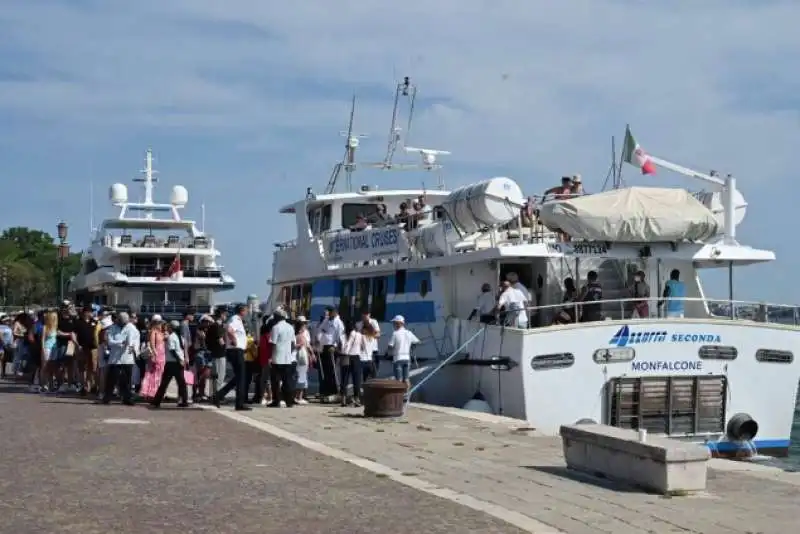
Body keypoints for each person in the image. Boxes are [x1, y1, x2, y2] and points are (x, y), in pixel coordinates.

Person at [217, 303, 250, 410]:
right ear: (242, 311)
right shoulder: (235, 320)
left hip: (236, 350)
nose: (247, 312)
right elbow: (229, 329)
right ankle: (239, 403)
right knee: (241, 377)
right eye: (246, 310)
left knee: (239, 377)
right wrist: (234, 340)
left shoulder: (237, 320)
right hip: (236, 350)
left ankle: (220, 394)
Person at [150, 320, 189, 408]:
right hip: (178, 362)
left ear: (171, 328)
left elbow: (172, 350)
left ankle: (157, 401)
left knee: (165, 382)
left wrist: (179, 359)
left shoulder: (172, 337)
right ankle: (184, 400)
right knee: (181, 383)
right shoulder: (180, 337)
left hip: (172, 362)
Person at [102, 311, 138, 405]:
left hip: (127, 357)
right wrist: (120, 343)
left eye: (124, 323)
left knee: (127, 380)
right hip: (115, 358)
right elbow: (110, 341)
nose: (123, 324)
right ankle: (107, 397)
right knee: (112, 378)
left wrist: (132, 349)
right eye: (121, 322)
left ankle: (127, 398)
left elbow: (134, 340)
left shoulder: (131, 328)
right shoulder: (113, 328)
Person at [268, 309, 296, 408]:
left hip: (277, 357)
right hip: (288, 358)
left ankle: (277, 401)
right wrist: (289, 352)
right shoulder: (290, 327)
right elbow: (293, 343)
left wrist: (270, 356)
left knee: (275, 381)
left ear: (278, 317)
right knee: (287, 380)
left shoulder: (276, 327)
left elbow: (272, 343)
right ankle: (289, 401)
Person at [316, 307, 344, 403]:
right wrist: (318, 340)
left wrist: (335, 346)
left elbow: (340, 337)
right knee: (324, 370)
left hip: (331, 348)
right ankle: (325, 391)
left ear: (335, 312)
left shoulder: (338, 323)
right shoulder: (326, 320)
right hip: (323, 347)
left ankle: (333, 391)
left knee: (331, 370)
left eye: (330, 312)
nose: (329, 314)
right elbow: (320, 330)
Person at [139, 315, 165, 400]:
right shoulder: (153, 332)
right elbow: (152, 345)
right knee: (152, 374)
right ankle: (150, 393)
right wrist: (154, 355)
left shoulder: (160, 332)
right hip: (156, 355)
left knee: (158, 375)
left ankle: (154, 392)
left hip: (161, 355)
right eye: (158, 323)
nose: (160, 324)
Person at [340, 320, 365, 406]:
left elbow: (342, 347)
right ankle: (357, 399)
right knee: (356, 379)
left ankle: (343, 399)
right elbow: (363, 347)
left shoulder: (342, 336)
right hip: (356, 357)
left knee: (344, 379)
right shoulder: (359, 335)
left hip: (346, 357)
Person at [387, 315, 419, 384]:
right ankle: (408, 393)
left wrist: (386, 353)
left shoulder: (395, 333)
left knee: (398, 381)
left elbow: (390, 346)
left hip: (397, 359)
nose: (393, 324)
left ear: (399, 323)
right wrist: (412, 348)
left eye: (394, 323)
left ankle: (399, 394)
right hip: (407, 359)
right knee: (407, 379)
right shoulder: (409, 333)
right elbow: (417, 341)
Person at [206, 306, 228, 405]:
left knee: (215, 376)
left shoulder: (212, 326)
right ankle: (216, 396)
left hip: (214, 353)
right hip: (219, 353)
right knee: (220, 376)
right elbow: (220, 340)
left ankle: (213, 395)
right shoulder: (218, 326)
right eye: (225, 314)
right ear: (222, 315)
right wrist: (226, 347)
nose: (226, 316)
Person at [74, 306, 97, 396]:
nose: (91, 313)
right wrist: (77, 344)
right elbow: (73, 334)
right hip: (82, 347)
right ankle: (83, 386)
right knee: (82, 368)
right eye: (90, 312)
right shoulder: (78, 322)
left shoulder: (94, 322)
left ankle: (90, 385)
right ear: (85, 312)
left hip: (93, 348)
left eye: (92, 312)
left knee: (91, 368)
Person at [293, 316, 313, 405]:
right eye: (303, 324)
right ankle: (298, 396)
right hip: (301, 356)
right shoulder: (299, 335)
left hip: (302, 355)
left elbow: (308, 345)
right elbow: (305, 345)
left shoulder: (304, 333)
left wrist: (311, 353)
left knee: (302, 375)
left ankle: (300, 395)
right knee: (301, 376)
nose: (305, 325)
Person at [39, 311, 59, 394]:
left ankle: (51, 385)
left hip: (54, 348)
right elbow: (42, 339)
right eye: (54, 317)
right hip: (47, 348)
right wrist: (43, 349)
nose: (55, 319)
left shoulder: (55, 327)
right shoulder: (45, 327)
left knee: (52, 368)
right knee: (45, 367)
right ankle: (43, 384)